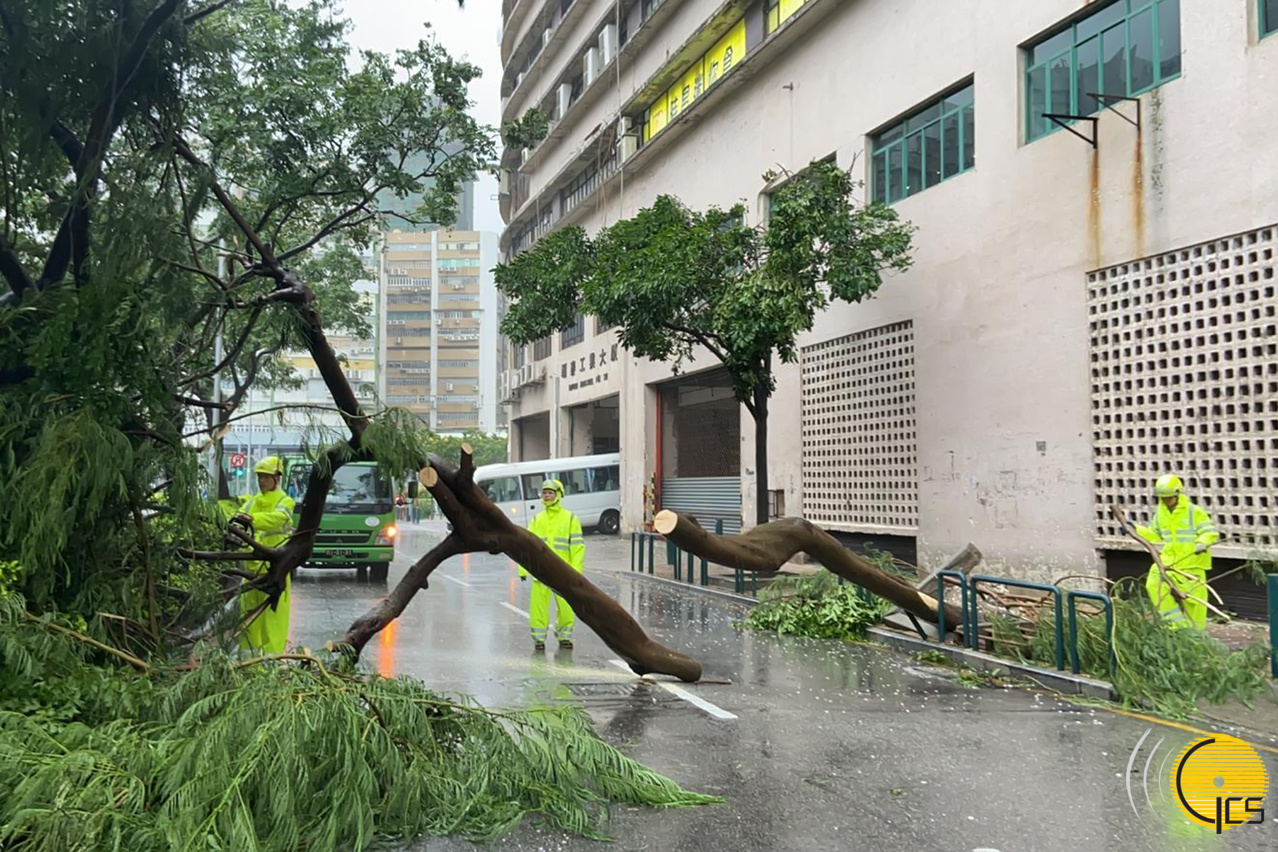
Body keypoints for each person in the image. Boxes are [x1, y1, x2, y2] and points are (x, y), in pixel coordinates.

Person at [228, 456, 296, 654]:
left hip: (276, 566)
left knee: (273, 615)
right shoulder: (252, 502)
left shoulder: (285, 501)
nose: (261, 481)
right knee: (248, 612)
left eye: (265, 477)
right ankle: (248, 656)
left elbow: (277, 520)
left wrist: (252, 520)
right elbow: (237, 518)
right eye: (259, 477)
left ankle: (271, 657)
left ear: (277, 477)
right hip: (251, 565)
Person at [1134, 474, 1218, 629]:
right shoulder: (1161, 514)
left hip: (1193, 566)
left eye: (1169, 498)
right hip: (1170, 564)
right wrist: (1135, 529)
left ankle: (1196, 640)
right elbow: (1155, 535)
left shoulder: (1194, 512)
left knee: (1195, 606)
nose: (1166, 501)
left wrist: (1202, 543)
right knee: (1155, 583)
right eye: (1163, 498)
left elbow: (1210, 532)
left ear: (1178, 494)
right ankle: (1176, 627)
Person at [519, 479, 585, 650]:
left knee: (566, 607)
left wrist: (576, 571)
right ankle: (539, 639)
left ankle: (564, 637)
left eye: (550, 493)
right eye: (545, 493)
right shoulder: (537, 519)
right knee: (538, 606)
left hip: (564, 571)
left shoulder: (570, 518)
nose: (547, 496)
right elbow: (526, 546)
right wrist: (523, 569)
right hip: (541, 571)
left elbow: (577, 547)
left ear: (559, 495)